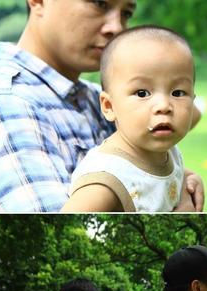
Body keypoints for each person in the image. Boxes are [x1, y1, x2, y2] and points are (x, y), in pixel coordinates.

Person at [0, 1, 204, 212]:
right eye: (99, 3)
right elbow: (55, 237)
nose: (117, 28)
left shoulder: (90, 97)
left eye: (126, 13)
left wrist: (170, 180)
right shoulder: (6, 104)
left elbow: (189, 114)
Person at [63, 26, 196, 212]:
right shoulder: (104, 181)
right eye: (142, 93)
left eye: (178, 92)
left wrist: (186, 183)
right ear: (109, 106)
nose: (164, 106)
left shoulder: (170, 152)